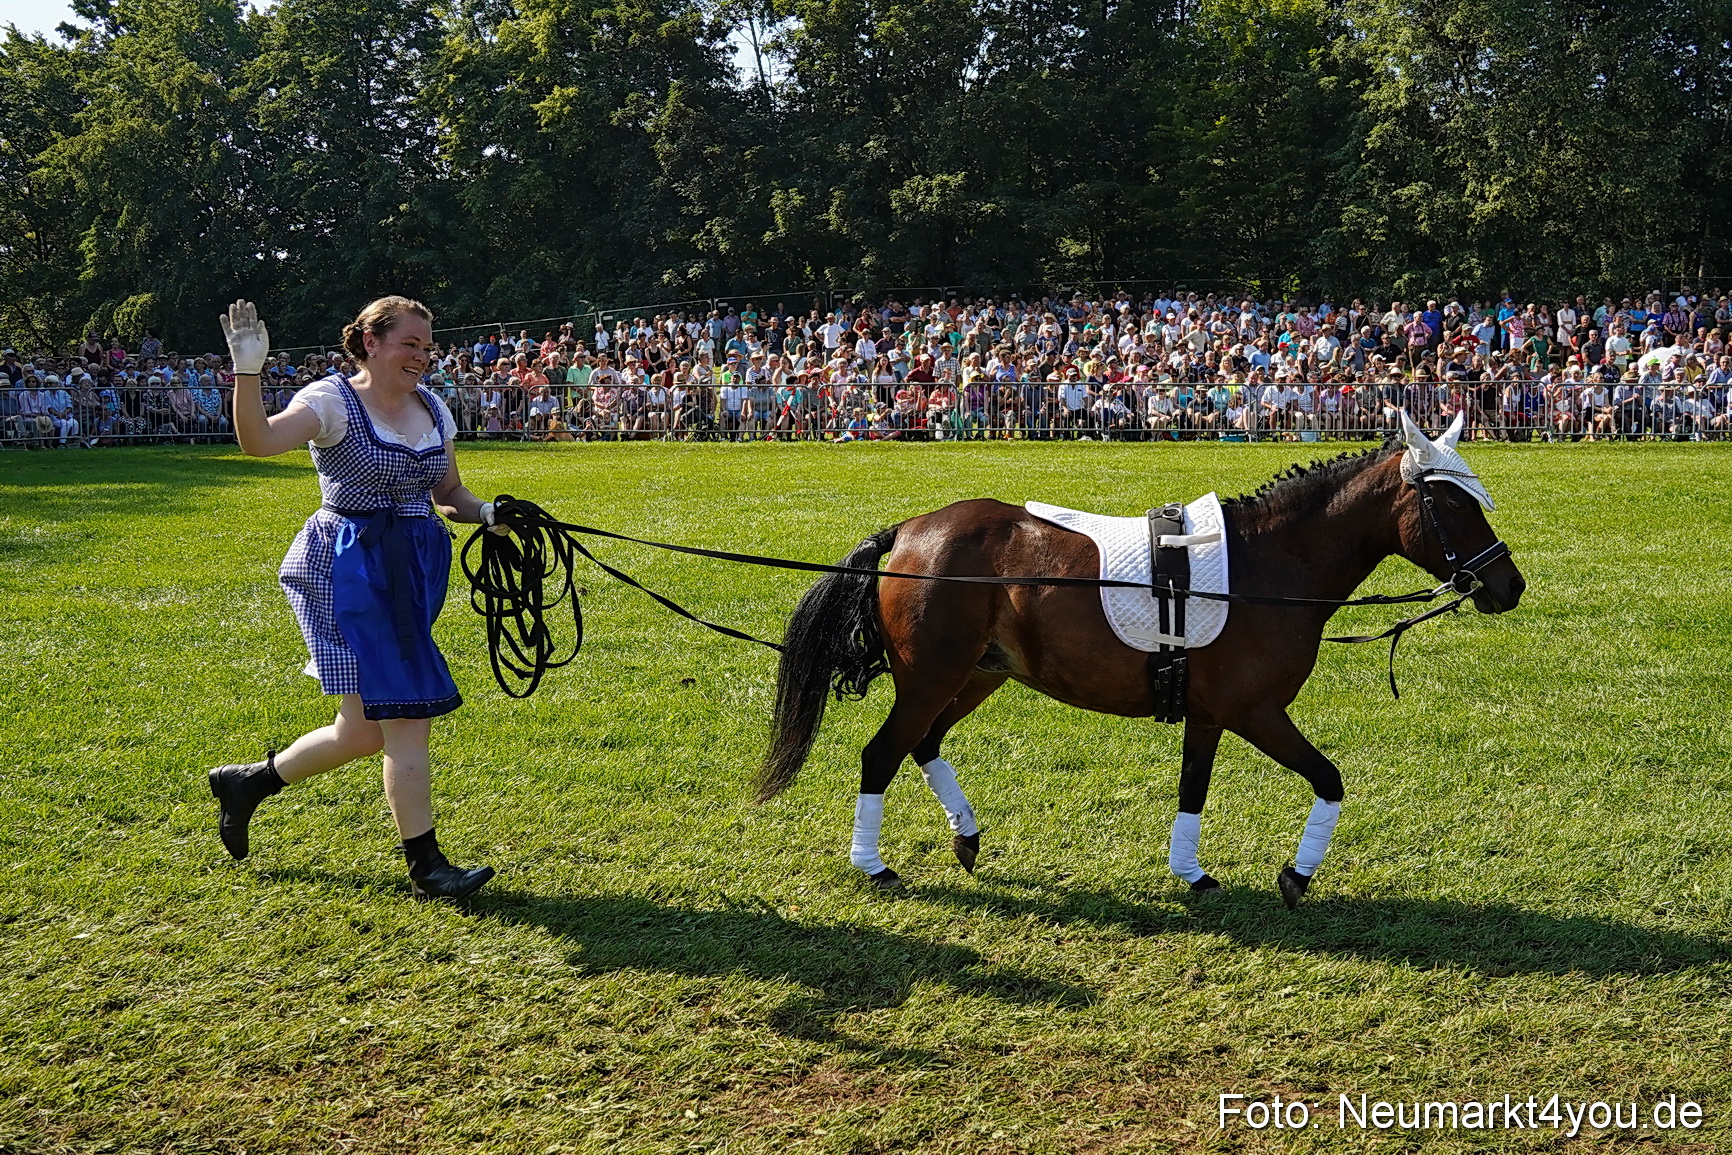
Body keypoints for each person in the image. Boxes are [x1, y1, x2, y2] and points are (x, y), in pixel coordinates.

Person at [207, 297, 501, 899]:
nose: (421, 356)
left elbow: (448, 492)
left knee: (363, 730)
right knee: (404, 715)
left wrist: (488, 513)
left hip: (410, 568)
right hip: (345, 571)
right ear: (370, 343)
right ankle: (427, 866)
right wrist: (247, 372)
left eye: (427, 346)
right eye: (409, 344)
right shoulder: (330, 401)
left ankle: (249, 784)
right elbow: (259, 443)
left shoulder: (433, 409)